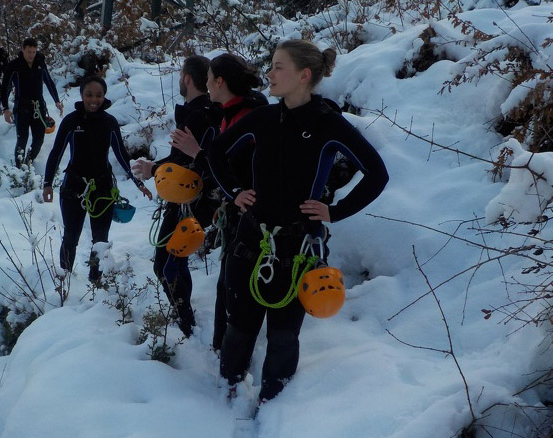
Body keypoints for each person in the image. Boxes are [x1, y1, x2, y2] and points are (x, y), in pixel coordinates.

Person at [206, 40, 389, 402]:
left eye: (278, 67)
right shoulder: (263, 117)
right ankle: (227, 389)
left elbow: (377, 174)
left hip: (299, 245)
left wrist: (334, 212)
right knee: (240, 322)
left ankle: (274, 399)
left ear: (304, 75)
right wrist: (235, 192)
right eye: (271, 66)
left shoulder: (328, 124)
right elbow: (215, 151)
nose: (269, 74)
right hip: (251, 238)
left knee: (284, 333)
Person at [169, 53, 267, 352]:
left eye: (209, 78)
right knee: (225, 287)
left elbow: (232, 167)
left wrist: (199, 153)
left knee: (235, 291)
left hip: (252, 217)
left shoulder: (251, 113)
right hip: (237, 214)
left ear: (219, 81)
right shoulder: (227, 113)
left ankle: (232, 362)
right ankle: (220, 352)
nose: (206, 84)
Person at [131, 56, 222, 337]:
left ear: (187, 79)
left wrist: (153, 168)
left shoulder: (196, 114)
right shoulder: (213, 110)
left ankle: (185, 321)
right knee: (176, 257)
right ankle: (184, 314)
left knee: (165, 261)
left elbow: (187, 162)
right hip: (205, 197)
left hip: (189, 197)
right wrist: (157, 167)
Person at [43, 76, 152, 281]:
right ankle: (64, 283)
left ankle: (96, 284)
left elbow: (121, 154)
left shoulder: (109, 122)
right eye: (89, 95)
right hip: (74, 187)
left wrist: (138, 183)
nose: (94, 100)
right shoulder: (71, 121)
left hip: (102, 188)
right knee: (70, 238)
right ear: (82, 95)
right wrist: (47, 183)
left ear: (104, 96)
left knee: (100, 240)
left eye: (99, 95)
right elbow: (56, 152)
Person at [1, 37, 64, 166]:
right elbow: (5, 87)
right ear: (23, 50)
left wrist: (57, 101)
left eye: (34, 52)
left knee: (39, 140)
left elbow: (49, 82)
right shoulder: (14, 65)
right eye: (29, 52)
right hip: (21, 107)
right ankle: (18, 168)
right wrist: (5, 108)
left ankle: (28, 161)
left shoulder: (40, 63)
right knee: (22, 140)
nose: (31, 55)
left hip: (38, 107)